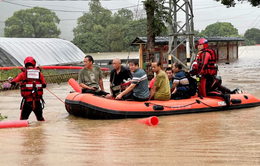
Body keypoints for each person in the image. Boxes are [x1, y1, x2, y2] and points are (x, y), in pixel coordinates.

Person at [192, 38, 231, 106]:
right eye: (198, 45)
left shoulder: (206, 53)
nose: (198, 46)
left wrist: (200, 73)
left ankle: (224, 96)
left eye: (200, 45)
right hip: (199, 76)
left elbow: (204, 64)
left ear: (205, 45)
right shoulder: (200, 54)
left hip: (205, 76)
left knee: (206, 92)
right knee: (199, 90)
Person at [8, 56, 46, 121]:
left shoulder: (23, 73)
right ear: (34, 63)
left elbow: (13, 81)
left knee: (23, 120)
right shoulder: (40, 74)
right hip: (37, 102)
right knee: (40, 120)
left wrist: (10, 80)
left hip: (28, 102)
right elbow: (44, 85)